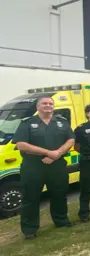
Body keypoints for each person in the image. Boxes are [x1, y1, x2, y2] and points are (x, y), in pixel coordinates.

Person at [12, 96, 75, 239]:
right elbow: (21, 144)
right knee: (31, 198)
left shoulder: (62, 122)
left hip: (57, 165)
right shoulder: (27, 123)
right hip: (33, 167)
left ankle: (61, 220)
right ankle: (30, 229)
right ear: (37, 107)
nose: (48, 106)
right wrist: (48, 153)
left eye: (50, 103)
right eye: (44, 103)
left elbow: (71, 139)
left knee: (59, 194)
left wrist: (57, 153)